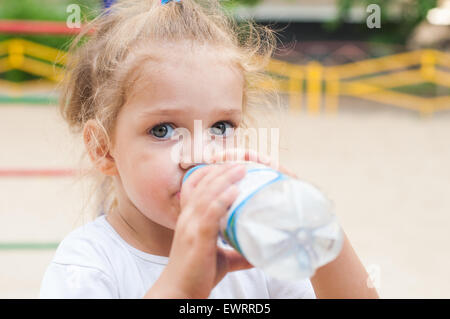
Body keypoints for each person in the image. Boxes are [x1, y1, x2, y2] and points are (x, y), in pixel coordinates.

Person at [39, 0, 379, 299]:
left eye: (221, 127)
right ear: (104, 149)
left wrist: (321, 235)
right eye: (163, 130)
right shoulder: (89, 266)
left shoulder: (251, 243)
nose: (201, 153)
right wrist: (182, 289)